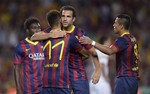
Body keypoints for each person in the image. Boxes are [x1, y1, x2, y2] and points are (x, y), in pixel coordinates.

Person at [79, 14, 140, 94]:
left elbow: (109, 51)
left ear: (121, 26)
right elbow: (138, 57)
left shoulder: (122, 40)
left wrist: (92, 42)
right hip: (133, 78)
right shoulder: (133, 39)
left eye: (116, 23)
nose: (113, 25)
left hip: (124, 78)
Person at [36, 10, 91, 94]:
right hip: (61, 82)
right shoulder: (69, 37)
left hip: (45, 81)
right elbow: (86, 54)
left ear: (48, 23)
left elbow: (33, 37)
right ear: (60, 21)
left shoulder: (42, 38)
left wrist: (49, 35)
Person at [60, 5, 101, 94]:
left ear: (73, 19)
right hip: (61, 77)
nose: (65, 19)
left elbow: (93, 52)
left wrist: (97, 70)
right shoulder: (54, 32)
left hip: (78, 76)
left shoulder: (79, 33)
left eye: (68, 16)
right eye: (63, 16)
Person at [13, 17, 45, 94]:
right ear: (27, 30)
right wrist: (18, 89)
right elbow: (16, 68)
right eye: (34, 28)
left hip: (43, 88)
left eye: (39, 28)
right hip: (28, 88)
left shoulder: (44, 43)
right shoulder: (21, 46)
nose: (37, 30)